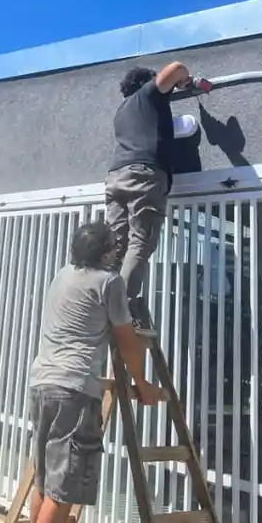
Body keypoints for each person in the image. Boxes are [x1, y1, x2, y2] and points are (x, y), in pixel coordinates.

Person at [21, 221, 163, 523]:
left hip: (42, 383)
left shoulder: (62, 275)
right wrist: (143, 384)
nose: (118, 253)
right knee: (62, 493)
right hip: (74, 389)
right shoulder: (109, 283)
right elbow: (126, 340)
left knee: (44, 483)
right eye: (114, 248)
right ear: (105, 254)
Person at [105, 61, 205, 326]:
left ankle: (102, 301)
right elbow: (177, 67)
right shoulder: (148, 94)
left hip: (116, 178)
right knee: (141, 241)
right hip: (143, 174)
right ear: (147, 82)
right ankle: (121, 309)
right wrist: (183, 81)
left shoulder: (122, 111)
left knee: (116, 245)